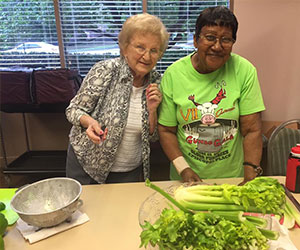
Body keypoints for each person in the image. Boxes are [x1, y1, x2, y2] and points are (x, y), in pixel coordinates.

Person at [158, 6, 265, 185]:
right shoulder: (173, 74)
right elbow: (166, 130)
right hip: (185, 178)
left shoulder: (244, 71)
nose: (217, 46)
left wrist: (249, 177)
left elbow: (252, 130)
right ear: (195, 40)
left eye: (226, 40)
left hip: (232, 178)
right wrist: (183, 168)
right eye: (210, 38)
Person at [65, 13, 169, 184]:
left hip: (129, 169)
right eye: (140, 47)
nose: (147, 56)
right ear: (125, 47)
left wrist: (152, 111)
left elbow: (153, 136)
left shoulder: (158, 83)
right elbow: (73, 110)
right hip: (87, 164)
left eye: (154, 50)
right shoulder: (105, 71)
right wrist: (89, 122)